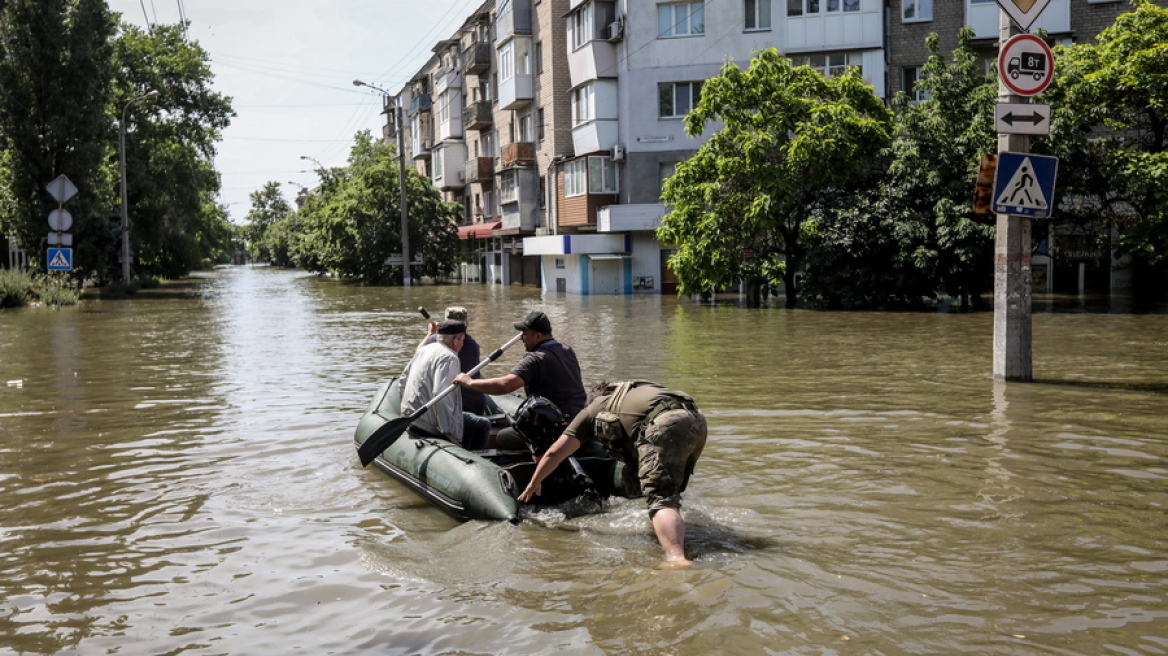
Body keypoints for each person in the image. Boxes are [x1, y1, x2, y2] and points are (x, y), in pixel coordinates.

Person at [518, 380, 707, 566]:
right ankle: (668, 533)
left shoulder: (592, 409)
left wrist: (534, 481)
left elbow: (555, 452)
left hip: (665, 424)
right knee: (669, 491)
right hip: (696, 419)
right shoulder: (632, 391)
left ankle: (676, 559)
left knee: (661, 498)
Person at [453, 310, 586, 449]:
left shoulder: (535, 359)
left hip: (552, 426)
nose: (522, 338)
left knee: (502, 437)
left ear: (538, 336)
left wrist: (469, 382)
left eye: (525, 334)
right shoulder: (567, 349)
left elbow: (506, 385)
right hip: (576, 421)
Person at [399, 319, 491, 449]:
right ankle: (475, 459)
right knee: (482, 424)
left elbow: (402, 381)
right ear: (456, 340)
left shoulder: (424, 350)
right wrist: (447, 431)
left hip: (413, 418)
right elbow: (441, 395)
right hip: (430, 424)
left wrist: (406, 413)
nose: (463, 344)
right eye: (462, 340)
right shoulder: (449, 357)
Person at [417, 306, 487, 416]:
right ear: (465, 326)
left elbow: (418, 355)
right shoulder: (473, 345)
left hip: (449, 409)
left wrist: (430, 334)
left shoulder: (433, 340)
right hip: (471, 407)